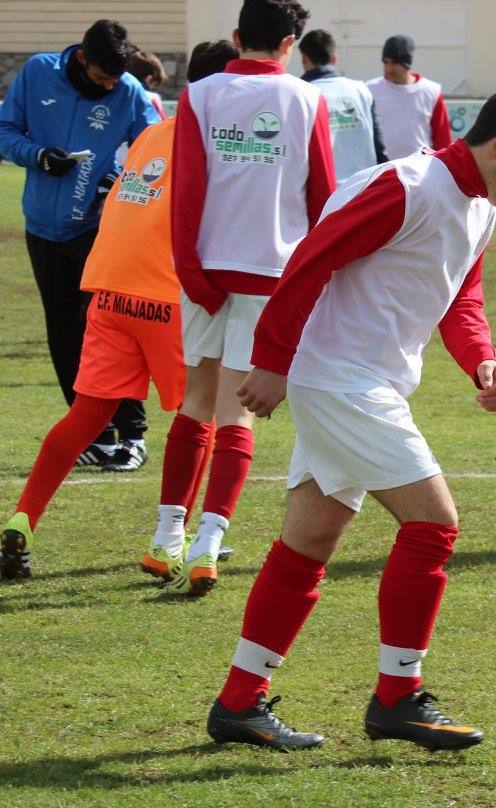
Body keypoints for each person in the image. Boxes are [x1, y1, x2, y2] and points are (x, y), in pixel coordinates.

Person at [202, 80, 496, 751]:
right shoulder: (409, 186)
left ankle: (238, 702)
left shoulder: (479, 208)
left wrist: (481, 361)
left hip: (365, 383)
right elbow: (312, 260)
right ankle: (398, 696)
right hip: (339, 379)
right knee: (434, 524)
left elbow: (461, 298)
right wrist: (273, 360)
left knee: (308, 543)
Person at [0, 41, 241, 582]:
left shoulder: (155, 132)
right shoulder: (218, 146)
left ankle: (23, 517)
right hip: (164, 295)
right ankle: (185, 538)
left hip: (108, 290)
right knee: (199, 415)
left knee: (87, 416)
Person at [153, 0, 335, 597]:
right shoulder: (309, 99)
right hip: (271, 275)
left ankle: (165, 537)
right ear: (290, 44)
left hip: (204, 271)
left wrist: (190, 268)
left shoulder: (201, 94)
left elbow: (185, 190)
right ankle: (207, 543)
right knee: (238, 412)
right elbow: (323, 196)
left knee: (195, 402)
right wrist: (317, 276)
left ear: (236, 38)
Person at [0, 20, 160, 471]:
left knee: (111, 328)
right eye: (102, 77)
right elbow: (5, 128)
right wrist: (37, 155)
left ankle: (132, 434)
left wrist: (118, 178)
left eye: (116, 78)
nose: (110, 85)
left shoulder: (128, 91)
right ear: (82, 58)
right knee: (64, 330)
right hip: (42, 229)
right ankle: (93, 433)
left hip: (97, 229)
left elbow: (155, 150)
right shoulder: (36, 72)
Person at [299, 28, 387, 181]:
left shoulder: (302, 94)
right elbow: (379, 146)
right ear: (334, 59)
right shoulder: (362, 90)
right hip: (364, 188)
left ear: (305, 59)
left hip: (326, 194)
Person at [366, 35, 451, 159]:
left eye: (395, 63)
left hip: (421, 169)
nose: (389, 68)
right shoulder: (370, 90)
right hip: (381, 170)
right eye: (385, 62)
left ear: (407, 62)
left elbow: (442, 138)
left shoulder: (431, 91)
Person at [127, 49, 168, 120]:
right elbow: (161, 125)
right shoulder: (151, 98)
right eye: (153, 84)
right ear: (148, 79)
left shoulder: (118, 94)